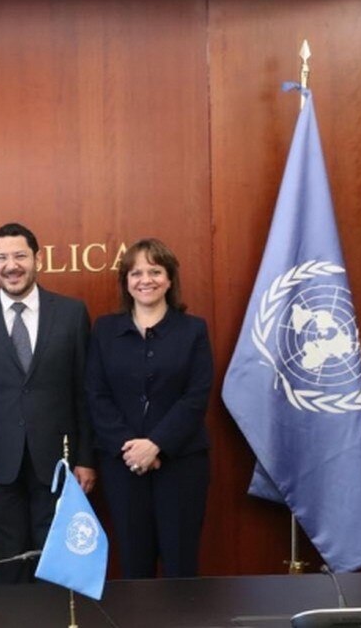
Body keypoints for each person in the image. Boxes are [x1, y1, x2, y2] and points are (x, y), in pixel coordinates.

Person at [0, 222, 95, 584]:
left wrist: (85, 458)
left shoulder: (71, 313)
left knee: (54, 560)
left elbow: (84, 391)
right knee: (7, 562)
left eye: (19, 256)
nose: (11, 265)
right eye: (2, 257)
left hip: (58, 461)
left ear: (37, 259)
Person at [85, 238, 213, 578]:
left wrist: (156, 445)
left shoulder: (193, 330)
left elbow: (196, 396)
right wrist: (132, 449)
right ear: (126, 282)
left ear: (170, 279)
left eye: (155, 271)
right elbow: (96, 394)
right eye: (136, 272)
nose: (146, 279)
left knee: (181, 561)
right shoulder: (105, 330)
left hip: (181, 463)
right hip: (122, 465)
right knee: (133, 563)